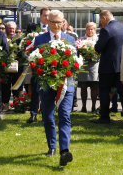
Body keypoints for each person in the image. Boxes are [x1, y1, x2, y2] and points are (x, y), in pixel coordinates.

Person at [34, 10, 74, 166]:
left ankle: (64, 151)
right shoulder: (39, 39)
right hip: (46, 85)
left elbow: (74, 62)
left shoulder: (70, 39)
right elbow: (36, 60)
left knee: (65, 116)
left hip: (66, 85)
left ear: (64, 22)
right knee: (48, 116)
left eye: (59, 22)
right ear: (47, 22)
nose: (56, 25)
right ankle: (52, 146)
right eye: (53, 22)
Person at [91, 10, 123, 126]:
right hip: (122, 65)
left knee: (104, 91)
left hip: (108, 66)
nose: (101, 23)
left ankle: (104, 117)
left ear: (104, 18)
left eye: (101, 21)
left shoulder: (106, 29)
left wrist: (97, 48)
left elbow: (99, 47)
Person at [27, 8, 51, 124]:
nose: (47, 18)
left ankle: (47, 113)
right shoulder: (32, 27)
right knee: (36, 88)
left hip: (51, 63)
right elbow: (26, 42)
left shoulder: (53, 28)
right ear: (40, 16)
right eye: (45, 15)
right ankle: (33, 113)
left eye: (49, 16)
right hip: (37, 64)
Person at [78, 22, 99, 113]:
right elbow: (78, 51)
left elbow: (101, 52)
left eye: (92, 29)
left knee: (94, 87)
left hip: (94, 66)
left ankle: (94, 106)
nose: (90, 31)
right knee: (83, 87)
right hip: (84, 65)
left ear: (95, 30)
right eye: (88, 29)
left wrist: (93, 56)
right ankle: (83, 106)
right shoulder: (81, 40)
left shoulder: (98, 40)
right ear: (86, 29)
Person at [2, 21, 22, 111]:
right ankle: (5, 104)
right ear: (6, 29)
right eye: (10, 28)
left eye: (13, 29)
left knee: (16, 86)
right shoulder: (3, 39)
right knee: (6, 86)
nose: (12, 30)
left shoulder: (19, 40)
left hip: (17, 66)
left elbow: (21, 52)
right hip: (5, 66)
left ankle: (16, 104)